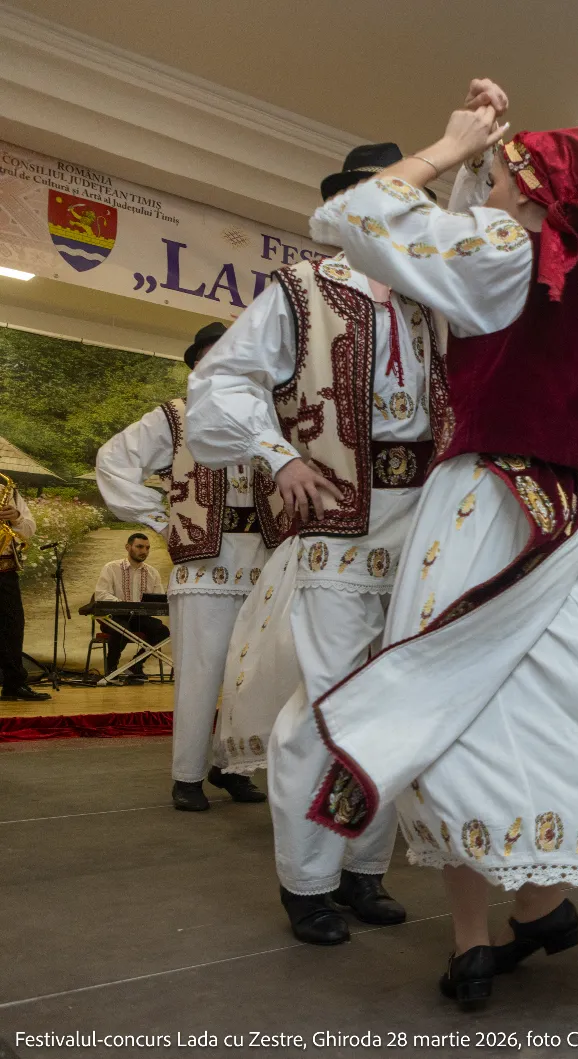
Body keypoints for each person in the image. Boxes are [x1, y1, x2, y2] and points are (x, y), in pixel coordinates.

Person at [300, 86, 578, 1010]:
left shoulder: (499, 253)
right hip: (576, 519)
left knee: (459, 713)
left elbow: (351, 215)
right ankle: (544, 899)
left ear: (529, 194)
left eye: (495, 176)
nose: (481, 188)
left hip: (486, 507)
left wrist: (444, 146)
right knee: (559, 704)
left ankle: (475, 939)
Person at [187, 140, 453, 946]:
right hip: (338, 517)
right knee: (333, 701)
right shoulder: (301, 291)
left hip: (424, 519)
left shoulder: (427, 296)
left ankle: (365, 868)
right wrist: (279, 455)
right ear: (348, 208)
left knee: (398, 697)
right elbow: (219, 386)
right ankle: (308, 878)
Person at [95, 322, 268, 811]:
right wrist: (159, 518)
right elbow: (112, 461)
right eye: (214, 357)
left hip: (262, 560)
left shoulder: (265, 420)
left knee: (250, 673)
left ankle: (231, 765)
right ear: (196, 365)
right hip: (204, 565)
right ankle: (187, 776)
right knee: (201, 671)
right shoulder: (173, 417)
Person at [89, 533, 170, 684]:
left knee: (162, 631)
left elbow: (157, 599)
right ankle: (111, 668)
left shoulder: (152, 572)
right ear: (128, 547)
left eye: (147, 548)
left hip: (140, 617)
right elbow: (101, 594)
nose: (144, 551)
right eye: (139, 547)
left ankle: (135, 666)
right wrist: (122, 604)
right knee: (122, 628)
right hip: (114, 617)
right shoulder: (111, 567)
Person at [0, 488, 46, 702]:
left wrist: (17, 517)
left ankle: (13, 684)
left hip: (5, 570)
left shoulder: (7, 491)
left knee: (12, 628)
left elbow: (29, 530)